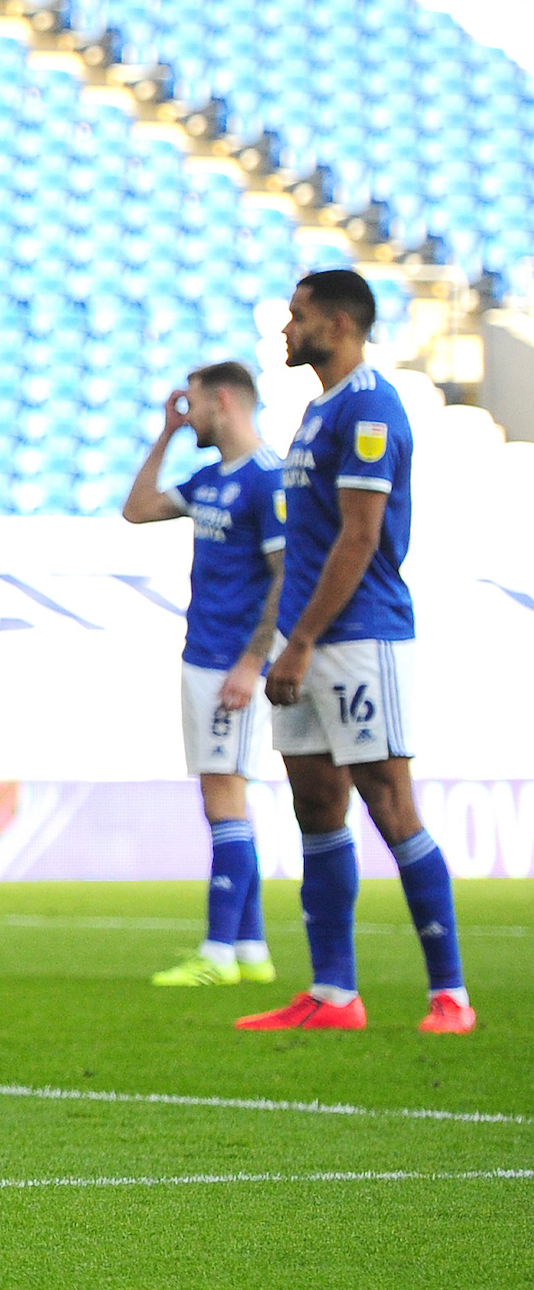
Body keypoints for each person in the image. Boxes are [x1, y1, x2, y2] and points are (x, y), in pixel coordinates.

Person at [239, 269, 472, 1034]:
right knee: (315, 802)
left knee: (388, 800)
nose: (285, 327)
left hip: (358, 637)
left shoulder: (370, 404)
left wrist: (301, 641)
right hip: (303, 640)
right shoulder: (317, 409)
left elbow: (362, 534)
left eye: (297, 315)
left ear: (337, 324)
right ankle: (335, 994)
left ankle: (450, 995)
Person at [120, 362, 286, 988]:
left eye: (191, 404)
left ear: (223, 401)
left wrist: (252, 662)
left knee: (224, 798)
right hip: (202, 655)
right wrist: (164, 435)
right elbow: (136, 510)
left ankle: (217, 952)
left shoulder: (267, 481)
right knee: (222, 797)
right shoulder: (211, 479)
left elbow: (284, 576)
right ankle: (250, 949)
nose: (187, 414)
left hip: (231, 664)